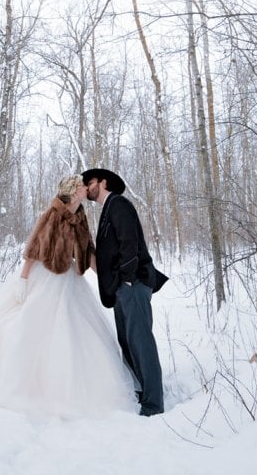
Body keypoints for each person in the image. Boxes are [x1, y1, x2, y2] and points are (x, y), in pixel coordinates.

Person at [0, 175, 135, 417]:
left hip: (69, 278)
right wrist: (23, 279)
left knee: (75, 329)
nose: (84, 188)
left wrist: (106, 277)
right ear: (71, 191)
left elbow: (88, 251)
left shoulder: (80, 219)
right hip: (45, 274)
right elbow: (33, 248)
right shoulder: (52, 214)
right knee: (30, 325)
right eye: (80, 185)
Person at [82, 167, 168, 416]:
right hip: (121, 288)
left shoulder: (119, 204)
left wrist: (128, 280)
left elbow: (129, 242)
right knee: (128, 342)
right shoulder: (107, 210)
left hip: (134, 285)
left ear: (103, 182)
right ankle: (142, 392)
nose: (87, 187)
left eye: (90, 182)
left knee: (141, 342)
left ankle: (153, 404)